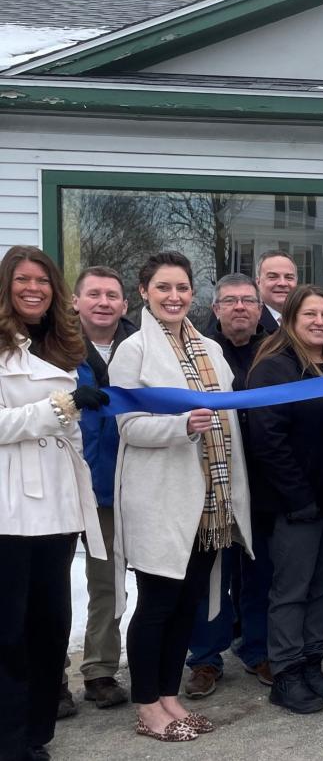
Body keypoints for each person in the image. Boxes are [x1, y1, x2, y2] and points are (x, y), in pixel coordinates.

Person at [109, 251, 252, 742]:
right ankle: (147, 706)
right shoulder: (132, 351)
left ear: (194, 294)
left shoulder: (210, 349)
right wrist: (180, 427)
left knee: (188, 602)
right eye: (163, 288)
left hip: (209, 502)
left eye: (182, 288)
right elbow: (127, 424)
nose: (174, 297)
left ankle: (169, 696)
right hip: (161, 499)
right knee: (157, 604)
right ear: (144, 293)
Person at [0, 246, 108, 761]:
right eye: (22, 279)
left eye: (42, 280)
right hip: (10, 507)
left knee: (50, 627)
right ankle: (8, 737)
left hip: (59, 504)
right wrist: (60, 406)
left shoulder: (64, 344)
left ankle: (36, 733)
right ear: (7, 285)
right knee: (8, 631)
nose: (33, 288)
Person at [247, 285, 323, 715]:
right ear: (290, 318)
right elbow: (267, 439)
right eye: (310, 314)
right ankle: (285, 672)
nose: (319, 322)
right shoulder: (275, 369)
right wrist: (298, 496)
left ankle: (311, 662)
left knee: (322, 587)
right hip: (295, 504)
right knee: (291, 590)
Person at [185, 274, 273, 698]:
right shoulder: (199, 351)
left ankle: (257, 649)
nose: (240, 307)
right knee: (211, 573)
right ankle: (204, 658)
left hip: (263, 478)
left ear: (260, 308)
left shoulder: (276, 350)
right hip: (210, 478)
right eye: (230, 301)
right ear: (215, 308)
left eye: (247, 301)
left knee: (260, 571)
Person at [70, 266, 136, 711]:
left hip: (113, 486)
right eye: (93, 294)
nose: (103, 302)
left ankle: (100, 670)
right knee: (47, 588)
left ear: (125, 304)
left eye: (112, 294)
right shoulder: (51, 347)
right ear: (75, 302)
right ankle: (47, 676)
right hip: (61, 481)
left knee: (107, 584)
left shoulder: (138, 350)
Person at [255, 250, 298, 332]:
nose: (282, 283)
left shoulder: (308, 319)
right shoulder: (251, 321)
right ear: (258, 282)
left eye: (289, 277)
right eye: (273, 277)